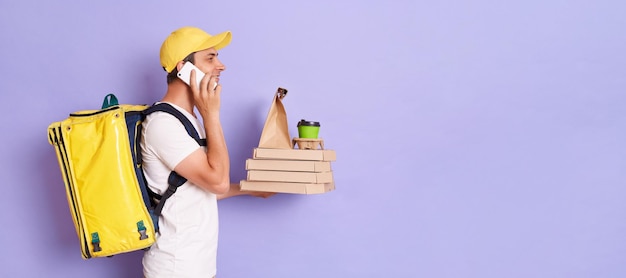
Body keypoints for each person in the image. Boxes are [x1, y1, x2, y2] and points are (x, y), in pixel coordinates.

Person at [141, 26, 273, 278]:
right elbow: (217, 182)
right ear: (183, 68)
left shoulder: (187, 119)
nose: (221, 66)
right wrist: (211, 114)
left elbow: (192, 192)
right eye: (210, 58)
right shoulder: (163, 124)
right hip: (175, 268)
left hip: (197, 267)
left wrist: (247, 188)